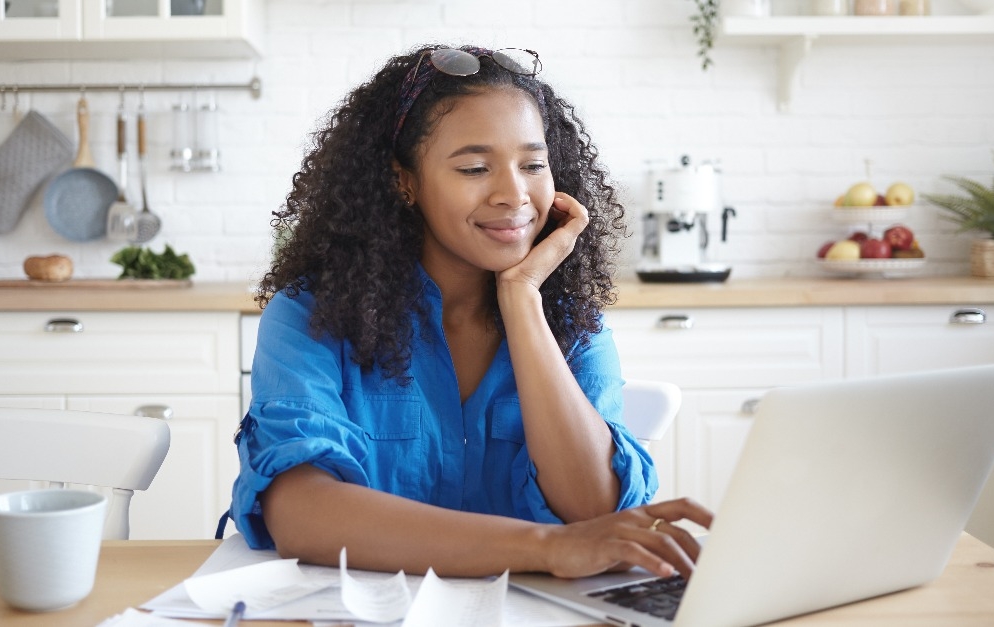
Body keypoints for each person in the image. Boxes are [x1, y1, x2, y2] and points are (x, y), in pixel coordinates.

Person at [228, 43, 713, 580]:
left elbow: (595, 512)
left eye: (533, 164)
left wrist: (523, 298)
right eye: (476, 167)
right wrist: (545, 547)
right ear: (404, 181)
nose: (514, 194)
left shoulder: (573, 323)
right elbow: (302, 514)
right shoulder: (310, 316)